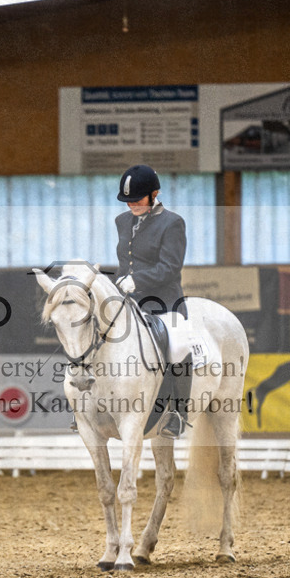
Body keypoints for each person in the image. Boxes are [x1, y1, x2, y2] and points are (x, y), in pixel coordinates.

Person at [114, 164, 191, 439]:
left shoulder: (172, 222)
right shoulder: (122, 221)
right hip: (129, 300)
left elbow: (170, 266)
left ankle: (178, 414)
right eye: (128, 200)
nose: (132, 204)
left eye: (137, 199)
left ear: (154, 193)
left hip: (164, 302)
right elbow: (126, 260)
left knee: (179, 346)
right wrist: (121, 282)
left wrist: (137, 281)